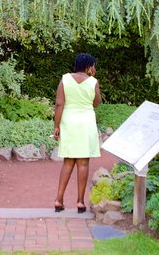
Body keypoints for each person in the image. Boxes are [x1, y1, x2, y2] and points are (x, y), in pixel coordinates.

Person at [53, 52, 102, 213]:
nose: (94, 68)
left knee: (68, 162)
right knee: (83, 163)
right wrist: (93, 80)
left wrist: (56, 126)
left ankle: (58, 199)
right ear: (88, 67)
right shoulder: (93, 82)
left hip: (69, 122)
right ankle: (80, 202)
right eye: (93, 65)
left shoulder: (65, 79)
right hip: (86, 123)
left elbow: (59, 104)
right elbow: (96, 103)